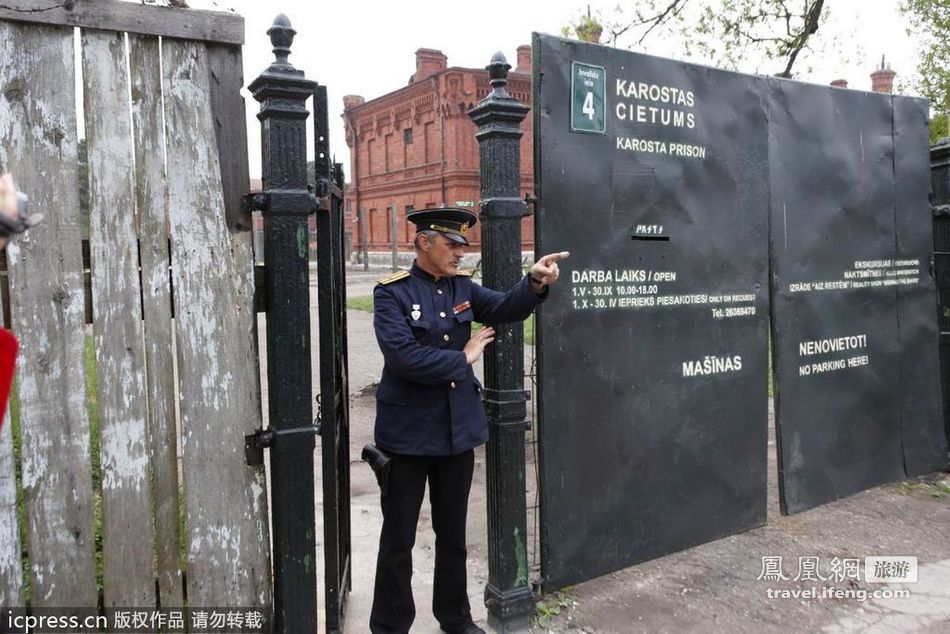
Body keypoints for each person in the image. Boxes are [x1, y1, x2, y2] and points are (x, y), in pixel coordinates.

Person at [369, 206, 568, 634]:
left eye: (463, 245)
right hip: (406, 437)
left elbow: (505, 307)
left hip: (455, 434)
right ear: (424, 243)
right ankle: (389, 627)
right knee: (398, 541)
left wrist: (533, 282)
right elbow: (403, 358)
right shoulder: (392, 293)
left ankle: (455, 619)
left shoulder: (462, 287)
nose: (461, 252)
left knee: (453, 538)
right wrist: (462, 358)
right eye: (453, 244)